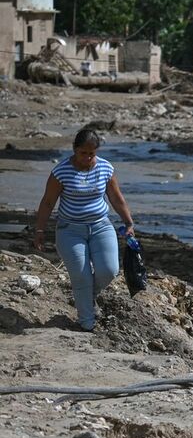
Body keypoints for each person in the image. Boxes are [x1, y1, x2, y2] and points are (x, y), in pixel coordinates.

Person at [32, 128, 135, 331]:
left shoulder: (106, 168)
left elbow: (116, 198)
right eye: (83, 153)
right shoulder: (61, 171)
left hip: (101, 226)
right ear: (74, 150)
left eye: (92, 154)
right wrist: (39, 231)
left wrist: (129, 223)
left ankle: (88, 297)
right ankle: (86, 323)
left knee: (109, 270)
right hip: (70, 229)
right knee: (81, 276)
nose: (87, 157)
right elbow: (47, 202)